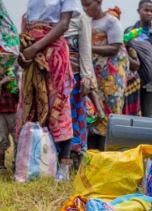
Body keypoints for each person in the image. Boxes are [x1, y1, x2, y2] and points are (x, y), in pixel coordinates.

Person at [19, 0, 81, 181]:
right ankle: (37, 162)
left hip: (53, 52)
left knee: (58, 106)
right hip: (31, 50)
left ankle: (64, 165)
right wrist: (24, 51)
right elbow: (27, 22)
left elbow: (63, 24)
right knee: (34, 106)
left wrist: (35, 48)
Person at [82, 0, 128, 151]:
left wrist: (89, 47)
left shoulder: (111, 21)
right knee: (92, 111)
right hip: (92, 74)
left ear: (99, 2)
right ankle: (92, 153)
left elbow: (115, 48)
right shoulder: (85, 22)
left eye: (88, 4)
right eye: (83, 5)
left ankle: (106, 152)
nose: (86, 8)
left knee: (109, 111)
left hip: (110, 77)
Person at [126, 0, 152, 118]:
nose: (149, 13)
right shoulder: (129, 32)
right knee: (130, 115)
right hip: (132, 80)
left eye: (151, 11)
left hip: (151, 82)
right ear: (138, 11)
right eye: (146, 10)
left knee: (148, 116)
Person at [65, 9, 98, 161]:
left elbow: (85, 51)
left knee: (75, 117)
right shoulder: (48, 16)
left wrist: (87, 77)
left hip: (75, 78)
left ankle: (76, 154)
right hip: (52, 76)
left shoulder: (80, 19)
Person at [0, 74, 19, 172]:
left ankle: (16, 162)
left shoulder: (12, 75)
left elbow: (18, 97)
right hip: (0, 114)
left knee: (17, 139)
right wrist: (2, 82)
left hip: (13, 112)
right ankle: (1, 166)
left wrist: (16, 91)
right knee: (2, 139)